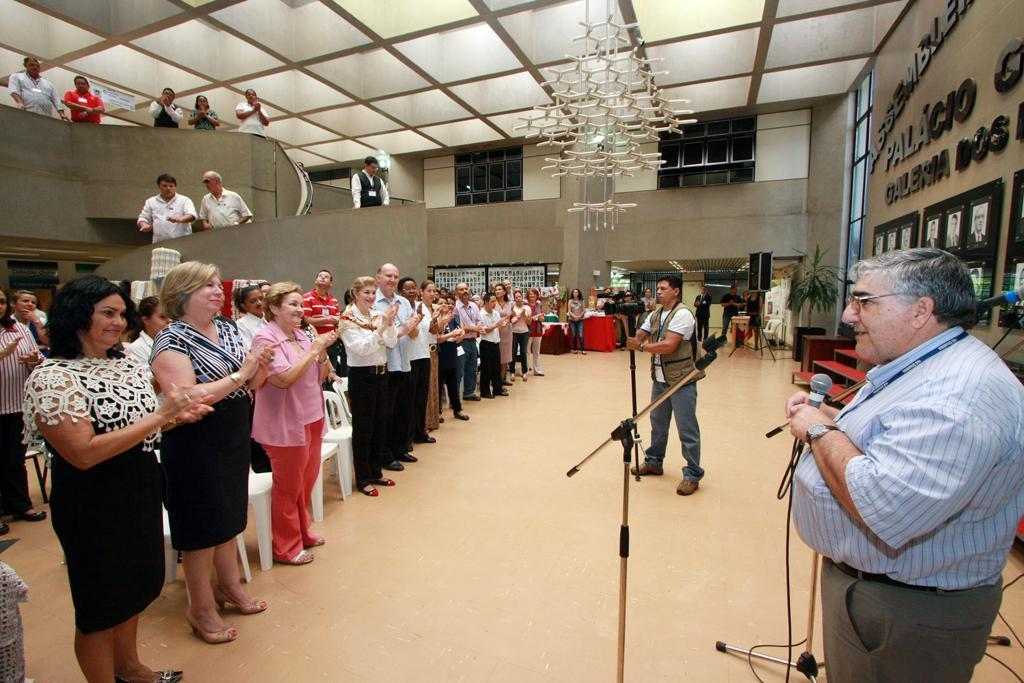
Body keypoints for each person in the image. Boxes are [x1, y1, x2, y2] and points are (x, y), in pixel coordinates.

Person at [785, 248, 1024, 683]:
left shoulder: (958, 397)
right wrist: (834, 420)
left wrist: (821, 433)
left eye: (863, 301)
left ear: (920, 311)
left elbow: (884, 505)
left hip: (906, 610)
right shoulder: (924, 365)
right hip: (880, 593)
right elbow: (892, 439)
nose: (848, 315)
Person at [23, 276, 208, 682]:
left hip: (139, 486)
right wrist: (162, 416)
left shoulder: (124, 363)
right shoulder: (53, 377)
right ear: (76, 315)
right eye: (107, 313)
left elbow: (137, 428)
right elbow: (84, 453)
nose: (117, 322)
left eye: (122, 314)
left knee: (136, 588)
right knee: (99, 605)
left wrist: (174, 419)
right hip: (93, 501)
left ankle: (128, 667)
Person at [150, 262, 274, 645]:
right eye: (206, 285)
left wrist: (259, 369)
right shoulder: (171, 339)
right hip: (195, 440)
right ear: (183, 293)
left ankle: (230, 586)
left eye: (216, 284)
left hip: (233, 431)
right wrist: (242, 375)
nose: (217, 291)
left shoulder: (227, 328)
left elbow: (252, 382)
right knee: (202, 527)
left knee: (230, 515)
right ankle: (199, 606)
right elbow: (186, 397)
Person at [250, 283, 335, 565]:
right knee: (287, 486)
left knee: (305, 481)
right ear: (273, 307)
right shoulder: (266, 339)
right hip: (285, 423)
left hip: (311, 416)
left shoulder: (302, 334)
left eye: (301, 305)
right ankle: (286, 547)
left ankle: (302, 529)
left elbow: (319, 376)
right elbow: (284, 379)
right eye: (293, 305)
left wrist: (321, 353)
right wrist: (314, 351)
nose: (300, 310)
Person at [626, 275, 703, 496]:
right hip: (659, 380)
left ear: (676, 291)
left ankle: (692, 474)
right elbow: (641, 335)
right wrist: (635, 335)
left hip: (681, 381)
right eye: (657, 289)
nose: (658, 292)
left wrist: (640, 348)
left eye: (663, 289)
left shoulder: (683, 314)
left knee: (687, 429)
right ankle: (654, 461)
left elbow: (669, 346)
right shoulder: (655, 314)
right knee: (658, 424)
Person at [339, 276, 398, 496]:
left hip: (382, 374)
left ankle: (376, 471)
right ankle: (363, 478)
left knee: (379, 425)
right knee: (364, 429)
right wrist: (381, 330)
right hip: (362, 377)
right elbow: (361, 349)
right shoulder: (347, 319)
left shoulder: (376, 316)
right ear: (355, 293)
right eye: (366, 293)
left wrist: (387, 326)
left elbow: (391, 342)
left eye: (374, 293)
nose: (371, 297)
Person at [0, 290, 44, 532]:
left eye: (2, 301)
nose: (0, 306)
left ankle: (19, 506)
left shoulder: (19, 329)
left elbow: (39, 357)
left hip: (15, 404)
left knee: (14, 460)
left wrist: (33, 359)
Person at [374, 264, 421, 470]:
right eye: (388, 276)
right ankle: (385, 454)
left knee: (403, 409)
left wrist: (412, 327)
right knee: (387, 413)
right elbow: (384, 336)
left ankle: (400, 448)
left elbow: (414, 332)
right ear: (378, 277)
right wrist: (404, 329)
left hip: (405, 363)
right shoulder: (373, 303)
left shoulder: (403, 302)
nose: (392, 280)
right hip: (387, 366)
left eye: (395, 276)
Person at [399, 277, 434, 445]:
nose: (412, 291)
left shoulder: (422, 308)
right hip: (409, 358)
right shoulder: (400, 308)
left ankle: (421, 432)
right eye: (408, 289)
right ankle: (408, 437)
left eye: (414, 288)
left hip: (424, 355)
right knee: (409, 399)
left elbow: (430, 330)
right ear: (400, 292)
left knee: (421, 397)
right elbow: (410, 333)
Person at [302, 270, 344, 380]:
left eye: (326, 277)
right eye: (320, 276)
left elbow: (339, 319)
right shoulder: (307, 297)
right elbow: (306, 320)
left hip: (332, 342)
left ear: (331, 283)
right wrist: (327, 319)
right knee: (317, 376)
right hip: (315, 342)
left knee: (331, 375)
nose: (322, 278)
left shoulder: (333, 299)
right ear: (316, 280)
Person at [136, 174, 196, 243]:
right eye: (164, 185)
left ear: (175, 187)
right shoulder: (151, 201)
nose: (168, 188)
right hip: (159, 242)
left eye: (171, 186)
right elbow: (143, 217)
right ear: (159, 186)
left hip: (182, 241)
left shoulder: (184, 200)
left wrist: (180, 219)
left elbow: (192, 215)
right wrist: (144, 225)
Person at [436, 301, 468, 422]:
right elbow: (437, 338)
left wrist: (459, 336)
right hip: (440, 353)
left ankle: (457, 409)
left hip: (452, 352)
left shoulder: (454, 318)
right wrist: (451, 335)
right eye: (443, 303)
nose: (447, 305)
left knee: (453, 384)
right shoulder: (437, 319)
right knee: (439, 385)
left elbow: (460, 335)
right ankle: (438, 413)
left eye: (449, 303)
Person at [422, 280, 447, 432]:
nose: (432, 294)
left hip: (434, 350)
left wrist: (443, 322)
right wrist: (436, 321)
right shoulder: (420, 308)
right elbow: (429, 330)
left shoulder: (434, 308)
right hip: (424, 350)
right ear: (422, 292)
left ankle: (432, 420)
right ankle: (424, 422)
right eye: (429, 291)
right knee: (426, 387)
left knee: (434, 386)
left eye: (434, 291)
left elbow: (437, 331)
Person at [124, 296, 169, 368]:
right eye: (163, 317)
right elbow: (146, 378)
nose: (169, 321)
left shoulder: (175, 342)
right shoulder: (136, 348)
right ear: (146, 320)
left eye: (172, 316)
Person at [454, 282, 481, 401]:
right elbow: (458, 326)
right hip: (461, 342)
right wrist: (474, 328)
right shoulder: (455, 307)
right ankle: (457, 395)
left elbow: (479, 320)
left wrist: (478, 326)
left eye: (466, 288)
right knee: (460, 369)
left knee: (472, 367)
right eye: (461, 289)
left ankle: (469, 392)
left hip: (472, 340)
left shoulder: (474, 305)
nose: (465, 291)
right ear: (456, 293)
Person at [477, 293, 507, 399]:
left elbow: (496, 329)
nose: (495, 304)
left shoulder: (496, 313)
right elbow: (484, 331)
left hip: (495, 342)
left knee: (496, 368)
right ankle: (485, 391)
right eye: (492, 301)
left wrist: (501, 326)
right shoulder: (481, 314)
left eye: (495, 301)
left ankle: (497, 389)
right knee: (486, 369)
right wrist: (497, 325)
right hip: (486, 343)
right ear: (486, 302)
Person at [232, 284, 267, 351]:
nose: (259, 303)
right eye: (253, 301)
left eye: (261, 298)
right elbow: (250, 350)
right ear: (243, 306)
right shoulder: (240, 325)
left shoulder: (271, 317)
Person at [493, 284, 514, 385]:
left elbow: (512, 318)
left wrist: (510, 318)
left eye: (500, 289)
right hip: (495, 331)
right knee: (496, 357)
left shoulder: (510, 304)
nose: (497, 291)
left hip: (507, 332)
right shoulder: (493, 303)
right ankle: (496, 381)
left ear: (504, 292)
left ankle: (502, 380)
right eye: (496, 290)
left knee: (505, 357)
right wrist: (505, 318)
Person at [511, 288, 533, 373]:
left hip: (524, 332)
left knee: (524, 352)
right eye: (516, 297)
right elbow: (511, 321)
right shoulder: (512, 308)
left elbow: (529, 322)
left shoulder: (527, 308)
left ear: (522, 297)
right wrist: (517, 317)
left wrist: (524, 316)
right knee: (513, 352)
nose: (518, 298)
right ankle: (512, 371)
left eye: (520, 296)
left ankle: (524, 371)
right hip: (514, 332)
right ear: (514, 299)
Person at [526, 287, 544, 376]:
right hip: (528, 330)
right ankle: (526, 370)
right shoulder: (525, 305)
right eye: (530, 295)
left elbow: (542, 317)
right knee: (527, 351)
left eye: (534, 294)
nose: (532, 296)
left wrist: (541, 318)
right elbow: (525, 318)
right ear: (528, 296)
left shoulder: (539, 305)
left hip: (538, 330)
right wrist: (533, 318)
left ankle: (537, 370)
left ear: (537, 295)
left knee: (536, 352)